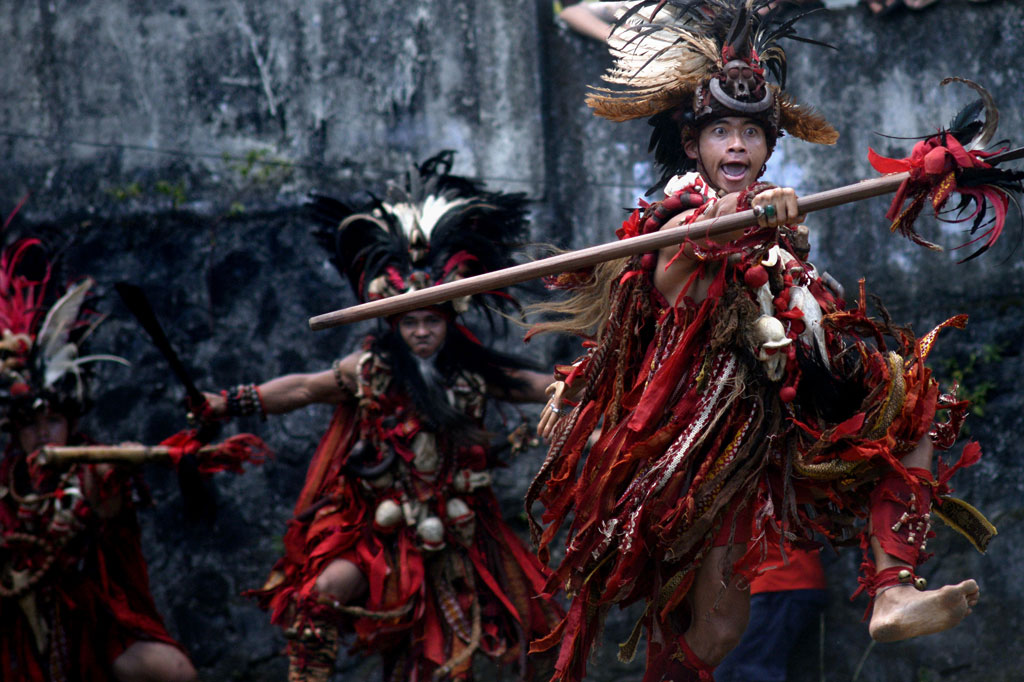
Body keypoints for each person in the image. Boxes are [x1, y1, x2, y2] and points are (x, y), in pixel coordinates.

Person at [527, 3, 994, 680]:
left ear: (770, 147)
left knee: (913, 404)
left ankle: (893, 589)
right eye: (720, 131)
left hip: (781, 420)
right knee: (715, 626)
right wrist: (742, 212)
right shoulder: (676, 220)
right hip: (697, 447)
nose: (737, 145)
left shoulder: (777, 227)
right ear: (693, 145)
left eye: (751, 131)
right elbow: (698, 241)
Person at [203, 152, 564, 681]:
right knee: (319, 597)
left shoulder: (471, 371)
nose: (421, 332)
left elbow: (531, 383)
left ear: (449, 321)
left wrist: (579, 381)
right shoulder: (368, 369)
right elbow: (304, 387)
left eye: (431, 321)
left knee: (517, 634)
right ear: (392, 323)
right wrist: (232, 401)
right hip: (379, 527)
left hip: (462, 528)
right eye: (409, 322)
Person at [0, 239, 198, 681]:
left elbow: (110, 506)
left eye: (53, 420)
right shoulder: (6, 481)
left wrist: (119, 469)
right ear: (14, 430)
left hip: (93, 621)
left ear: (70, 420)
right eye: (30, 424)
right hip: (16, 628)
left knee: (174, 672)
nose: (42, 434)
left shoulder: (92, 470)